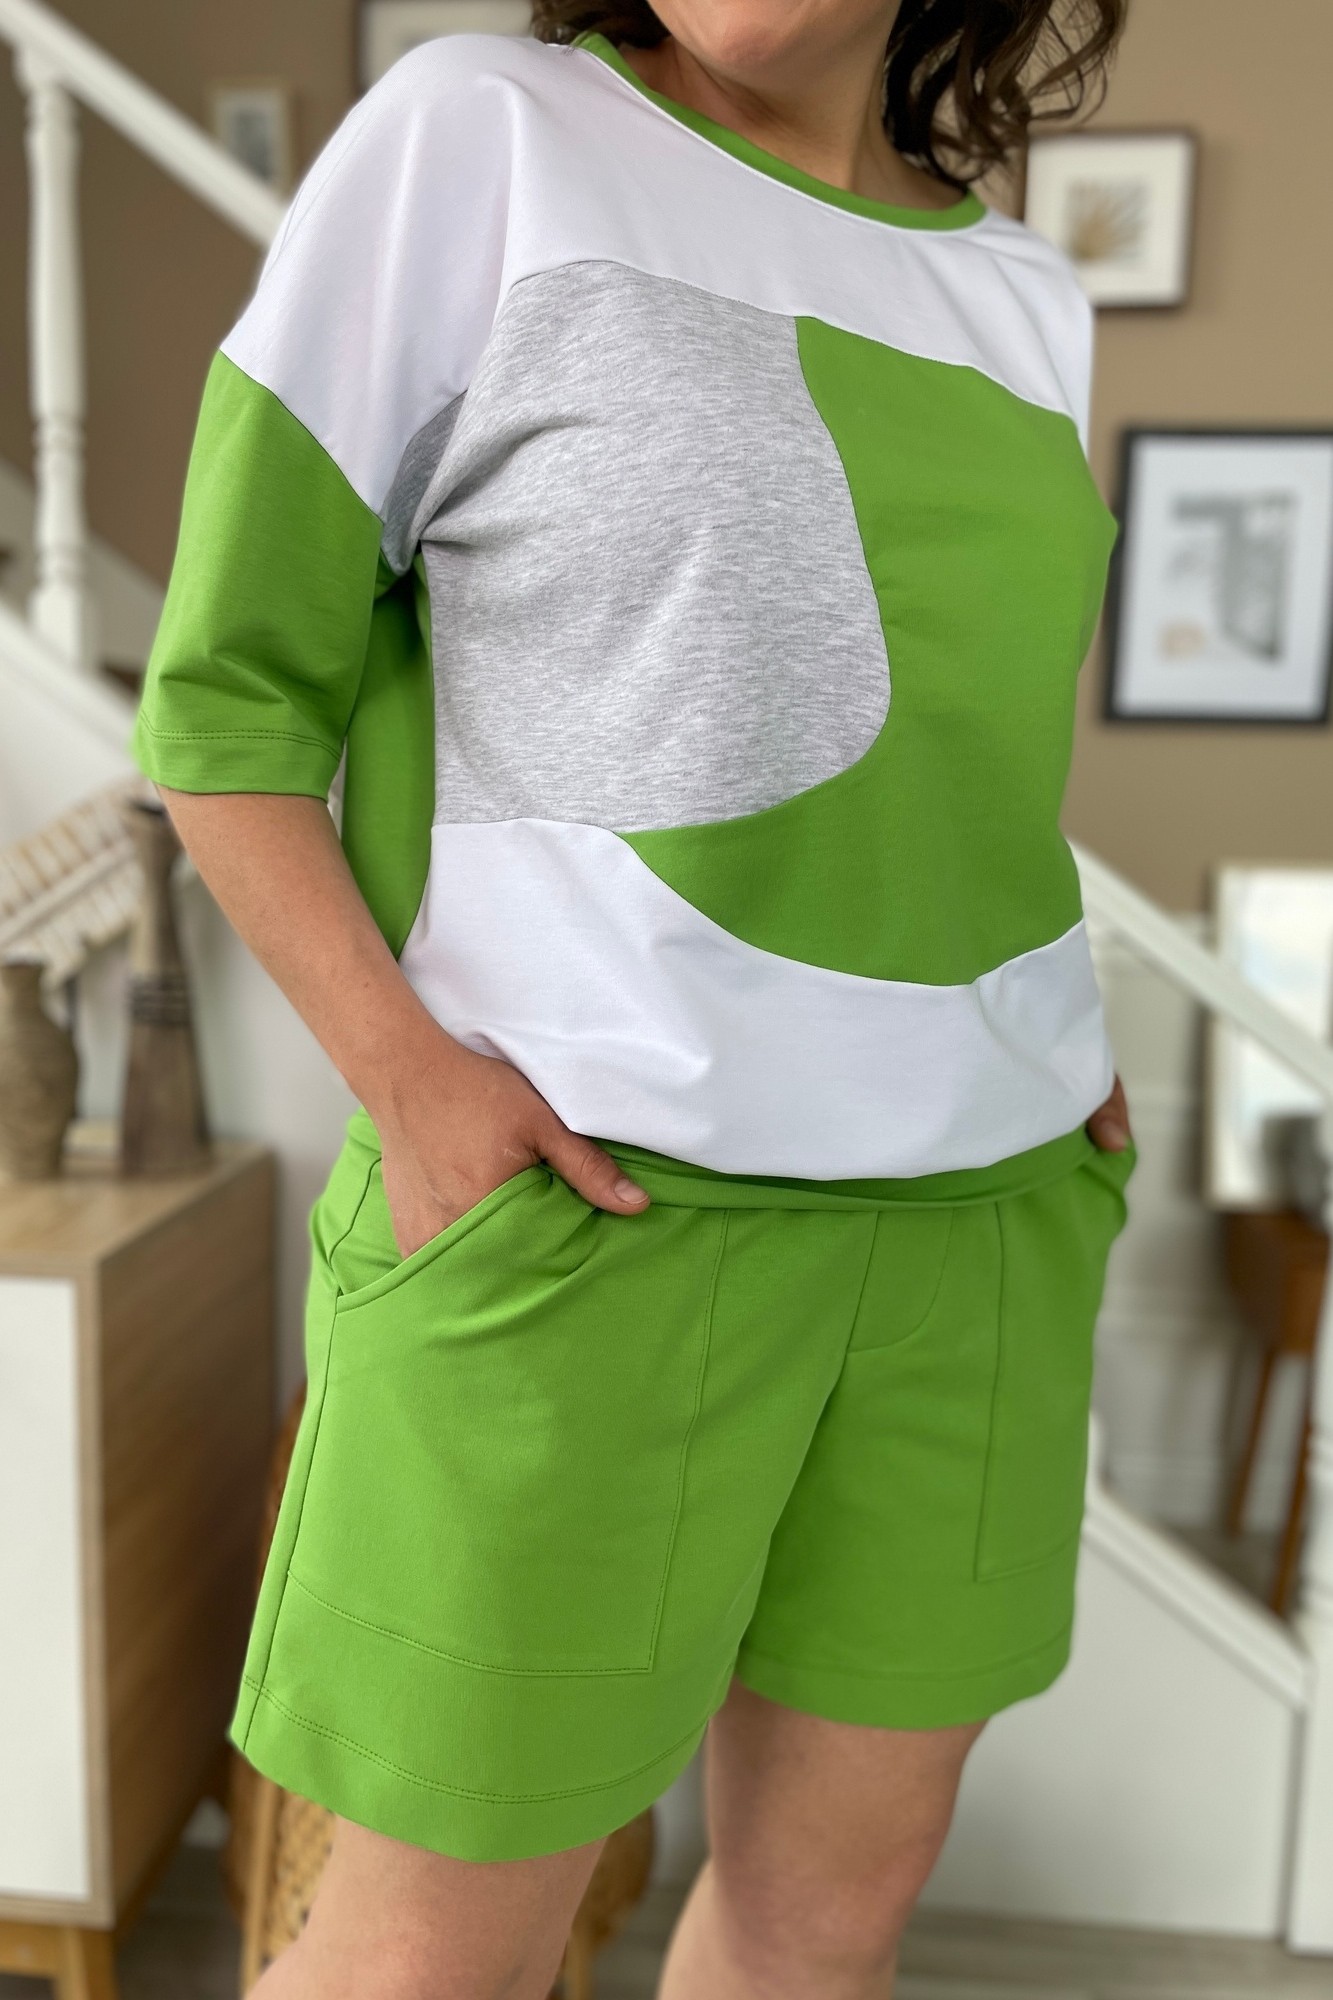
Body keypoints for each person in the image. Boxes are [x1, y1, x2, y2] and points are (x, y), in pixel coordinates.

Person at [134, 1, 1133, 1993]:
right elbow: (224, 707)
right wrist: (406, 1079)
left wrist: (1043, 1031)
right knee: (431, 1954)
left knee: (833, 1907)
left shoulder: (1021, 295)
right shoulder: (480, 137)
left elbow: (956, 752)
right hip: (593, 1211)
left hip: (985, 1223)